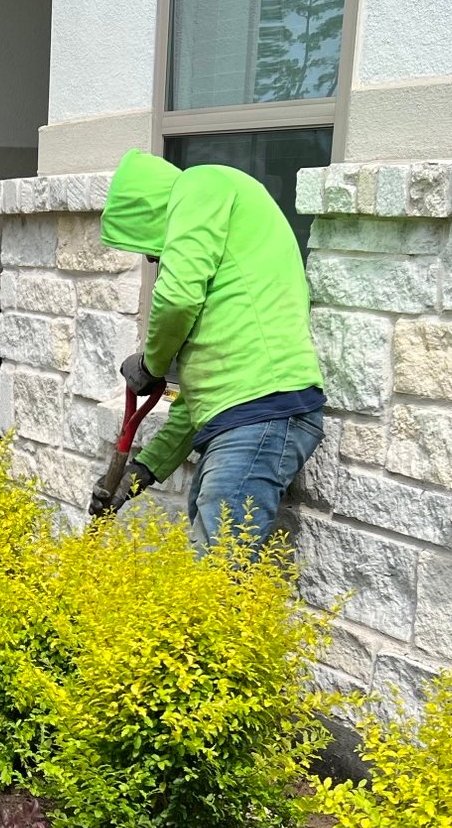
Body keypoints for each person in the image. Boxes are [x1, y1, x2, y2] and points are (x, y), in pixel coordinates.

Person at [88, 149, 324, 551]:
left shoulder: (202, 183)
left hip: (263, 410)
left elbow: (176, 298)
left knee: (216, 571)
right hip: (247, 413)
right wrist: (143, 471)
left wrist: (152, 363)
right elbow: (198, 404)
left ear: (150, 211)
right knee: (207, 558)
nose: (152, 258)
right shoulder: (228, 322)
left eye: (152, 249)